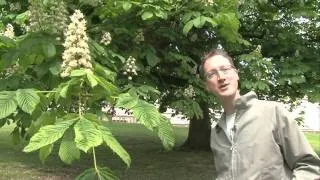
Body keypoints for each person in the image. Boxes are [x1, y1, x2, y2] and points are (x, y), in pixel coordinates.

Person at [199, 49, 320, 180]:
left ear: (236, 74)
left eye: (225, 69)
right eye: (212, 74)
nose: (221, 77)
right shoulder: (217, 133)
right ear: (207, 86)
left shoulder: (272, 112)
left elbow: (309, 166)